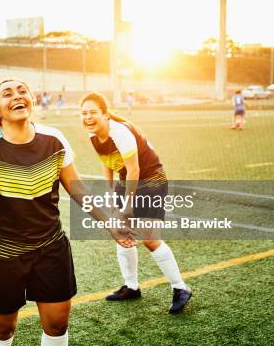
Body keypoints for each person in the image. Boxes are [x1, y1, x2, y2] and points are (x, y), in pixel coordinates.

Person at [0, 79, 133, 346]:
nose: (17, 96)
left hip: (50, 246)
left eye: (22, 91)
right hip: (3, 250)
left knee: (57, 324)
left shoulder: (53, 138)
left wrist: (109, 222)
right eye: (7, 94)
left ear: (32, 100)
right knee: (2, 329)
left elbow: (77, 190)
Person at [79, 92, 192, 313]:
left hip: (151, 179)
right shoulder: (93, 135)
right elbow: (108, 163)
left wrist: (128, 205)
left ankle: (181, 288)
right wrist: (111, 193)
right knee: (123, 234)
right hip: (127, 179)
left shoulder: (119, 131)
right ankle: (131, 287)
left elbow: (134, 169)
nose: (88, 117)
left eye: (93, 112)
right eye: (84, 113)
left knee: (149, 238)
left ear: (104, 114)